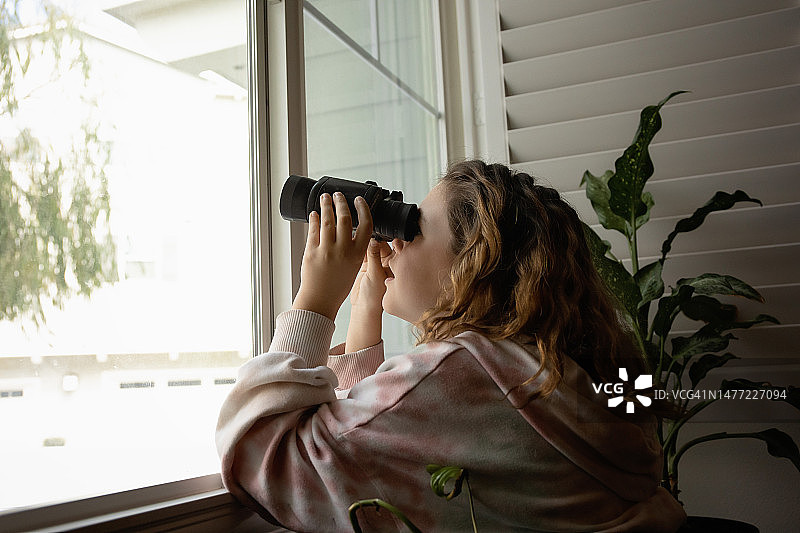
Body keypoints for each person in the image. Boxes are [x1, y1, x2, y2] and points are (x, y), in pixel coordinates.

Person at [216, 160, 688, 532]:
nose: (393, 244)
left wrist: (315, 301)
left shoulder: (467, 369)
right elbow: (364, 439)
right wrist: (366, 304)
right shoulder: (554, 372)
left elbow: (267, 462)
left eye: (411, 227)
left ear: (475, 263)